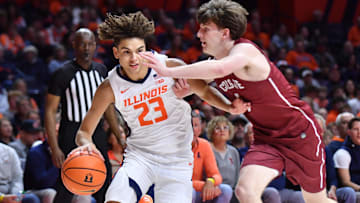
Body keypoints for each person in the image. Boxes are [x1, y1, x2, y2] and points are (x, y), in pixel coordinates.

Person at [140, 0, 336, 202]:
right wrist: (187, 92)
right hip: (266, 137)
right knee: (245, 192)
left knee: (315, 200)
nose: (199, 35)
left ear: (225, 33)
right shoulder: (214, 64)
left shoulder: (245, 52)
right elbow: (201, 86)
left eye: (205, 29)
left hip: (299, 133)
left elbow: (220, 70)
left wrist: (167, 70)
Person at [70, 12, 246, 203]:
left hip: (177, 160)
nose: (134, 58)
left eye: (139, 50)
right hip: (140, 157)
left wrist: (229, 107)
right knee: (114, 200)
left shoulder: (169, 67)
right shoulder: (109, 87)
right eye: (126, 51)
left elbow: (203, 91)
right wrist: (87, 144)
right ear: (116, 53)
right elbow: (84, 132)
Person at [44, 28, 122, 203]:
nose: (86, 49)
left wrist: (118, 135)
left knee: (104, 178)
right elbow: (49, 112)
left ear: (95, 46)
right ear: (74, 46)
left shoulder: (102, 71)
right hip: (71, 132)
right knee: (68, 183)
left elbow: (108, 108)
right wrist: (54, 147)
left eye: (89, 44)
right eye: (82, 44)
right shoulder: (62, 73)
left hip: (98, 132)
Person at [191, 110, 232, 203]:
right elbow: (181, 181)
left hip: (200, 190)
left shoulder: (204, 145)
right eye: (189, 125)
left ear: (200, 128)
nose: (192, 129)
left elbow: (216, 175)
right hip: (179, 190)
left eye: (196, 125)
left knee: (226, 190)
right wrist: (205, 185)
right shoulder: (175, 146)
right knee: (189, 191)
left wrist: (211, 181)